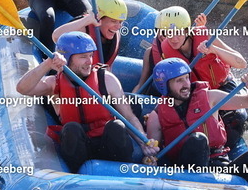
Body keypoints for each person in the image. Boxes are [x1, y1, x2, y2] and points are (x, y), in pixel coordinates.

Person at [16, 31, 159, 173]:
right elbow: (22, 88)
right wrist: (47, 64)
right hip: (80, 148)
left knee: (116, 126)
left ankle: (121, 173)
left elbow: (129, 117)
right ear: (66, 58)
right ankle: (76, 176)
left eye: (90, 55)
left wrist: (143, 142)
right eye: (83, 57)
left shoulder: (107, 79)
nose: (89, 61)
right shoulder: (54, 83)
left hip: (107, 144)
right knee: (71, 128)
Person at [146, 58, 248, 187]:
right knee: (198, 140)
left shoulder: (210, 97)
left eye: (187, 78)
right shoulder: (157, 115)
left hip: (220, 166)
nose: (186, 84)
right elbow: (153, 152)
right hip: (186, 169)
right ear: (164, 85)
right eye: (179, 80)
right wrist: (150, 159)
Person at [156, 6, 248, 146]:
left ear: (187, 30)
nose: (174, 38)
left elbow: (242, 63)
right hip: (197, 94)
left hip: (222, 87)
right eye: (169, 33)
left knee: (237, 119)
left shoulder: (205, 37)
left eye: (178, 33)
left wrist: (213, 49)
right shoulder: (166, 49)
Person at [131, 7, 205, 95]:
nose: (162, 37)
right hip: (170, 95)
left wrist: (213, 49)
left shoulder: (200, 41)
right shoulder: (150, 53)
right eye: (161, 32)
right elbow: (141, 85)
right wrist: (132, 99)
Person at [52, 0, 127, 67]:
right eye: (113, 21)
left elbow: (108, 67)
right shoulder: (84, 28)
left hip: (93, 73)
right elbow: (56, 37)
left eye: (120, 22)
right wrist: (86, 20)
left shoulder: (115, 37)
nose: (118, 27)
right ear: (99, 17)